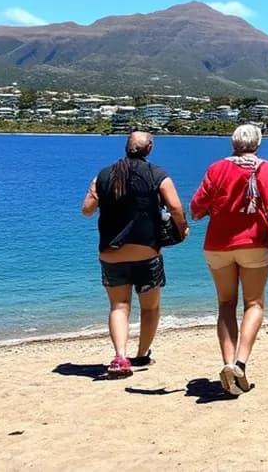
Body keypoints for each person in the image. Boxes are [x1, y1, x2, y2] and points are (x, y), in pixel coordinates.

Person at [190, 123, 268, 396]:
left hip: (217, 244)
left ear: (233, 143)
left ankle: (227, 364)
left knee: (226, 304)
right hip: (254, 243)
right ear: (258, 144)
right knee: (254, 303)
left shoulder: (216, 168)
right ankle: (240, 363)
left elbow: (196, 208)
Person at [81, 131, 188, 378]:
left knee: (119, 305)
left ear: (126, 147)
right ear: (149, 148)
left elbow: (87, 210)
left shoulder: (104, 175)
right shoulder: (157, 174)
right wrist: (181, 231)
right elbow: (175, 207)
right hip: (146, 251)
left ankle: (120, 356)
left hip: (111, 253)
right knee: (150, 308)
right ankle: (141, 354)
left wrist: (96, 191)